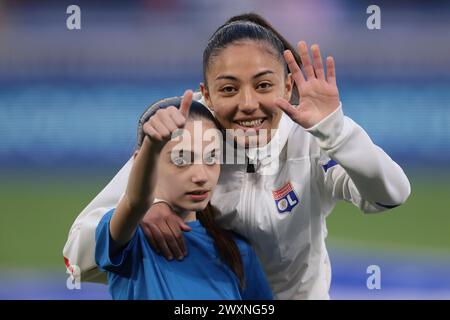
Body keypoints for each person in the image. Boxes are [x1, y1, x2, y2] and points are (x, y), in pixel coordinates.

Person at [63, 13, 411, 299]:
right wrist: (139, 208)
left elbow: (391, 194)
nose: (248, 104)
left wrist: (335, 130)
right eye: (229, 88)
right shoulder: (188, 141)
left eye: (263, 85)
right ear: (207, 95)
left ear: (287, 86)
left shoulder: (314, 139)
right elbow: (76, 255)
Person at [95, 91, 273, 299]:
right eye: (181, 160)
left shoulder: (237, 251)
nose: (201, 176)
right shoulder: (134, 237)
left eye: (211, 158)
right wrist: (152, 146)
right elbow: (136, 202)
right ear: (142, 162)